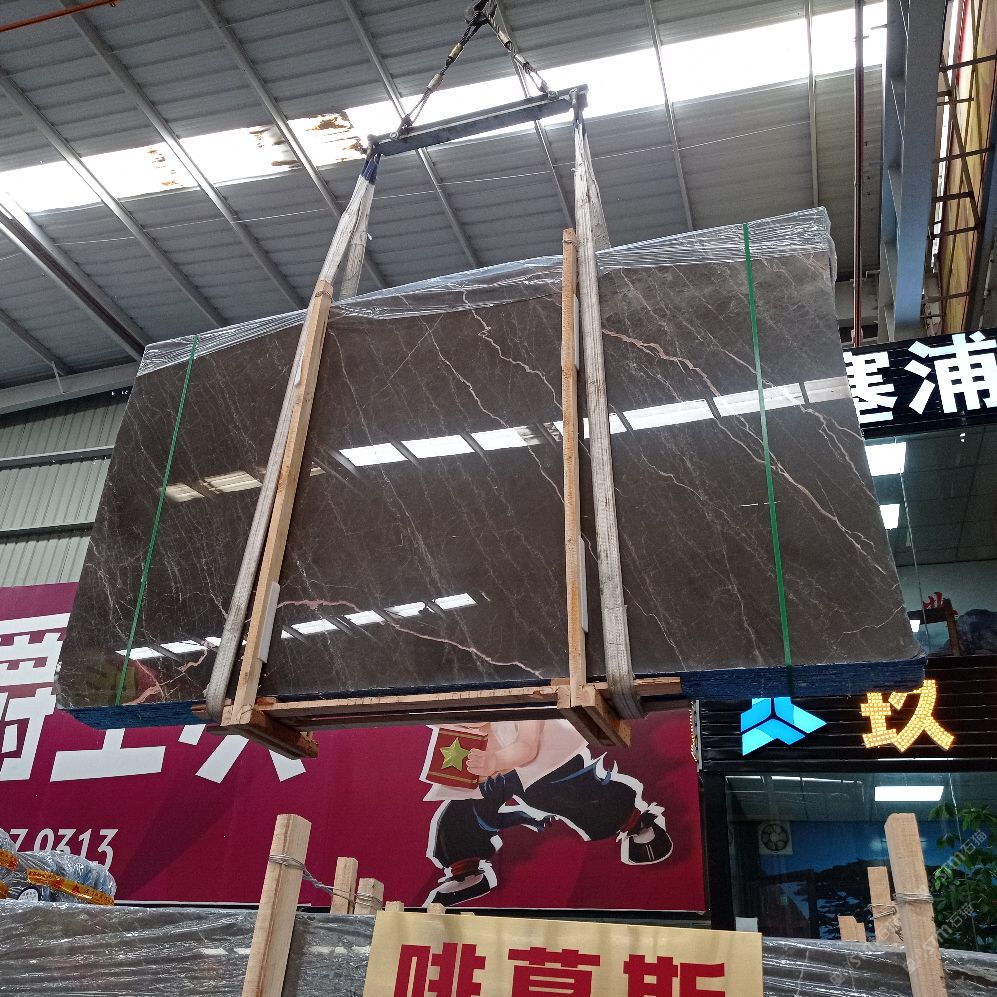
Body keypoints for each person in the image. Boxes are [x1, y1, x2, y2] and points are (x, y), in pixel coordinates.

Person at [422, 718, 672, 906]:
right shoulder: (454, 704)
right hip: (486, 768)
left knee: (574, 797)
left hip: (543, 764)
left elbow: (527, 746)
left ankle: (634, 822)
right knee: (463, 811)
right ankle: (465, 869)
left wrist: (496, 761)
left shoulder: (521, 692)